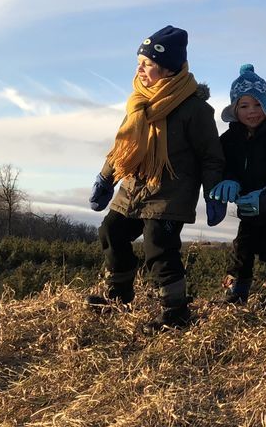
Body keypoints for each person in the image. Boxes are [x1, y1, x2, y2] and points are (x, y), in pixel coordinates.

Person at [87, 25, 226, 330]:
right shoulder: (138, 103)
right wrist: (106, 178)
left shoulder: (195, 109)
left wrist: (213, 191)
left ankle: (175, 311)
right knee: (111, 232)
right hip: (134, 187)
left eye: (148, 63)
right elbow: (122, 146)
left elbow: (210, 156)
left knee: (158, 243)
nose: (140, 68)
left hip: (171, 192)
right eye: (140, 61)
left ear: (168, 69)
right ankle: (119, 295)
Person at [208, 63, 266, 306]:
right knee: (243, 245)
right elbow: (223, 165)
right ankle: (238, 291)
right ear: (234, 108)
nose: (252, 111)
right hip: (249, 204)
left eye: (258, 104)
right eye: (244, 105)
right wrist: (228, 179)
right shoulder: (228, 139)